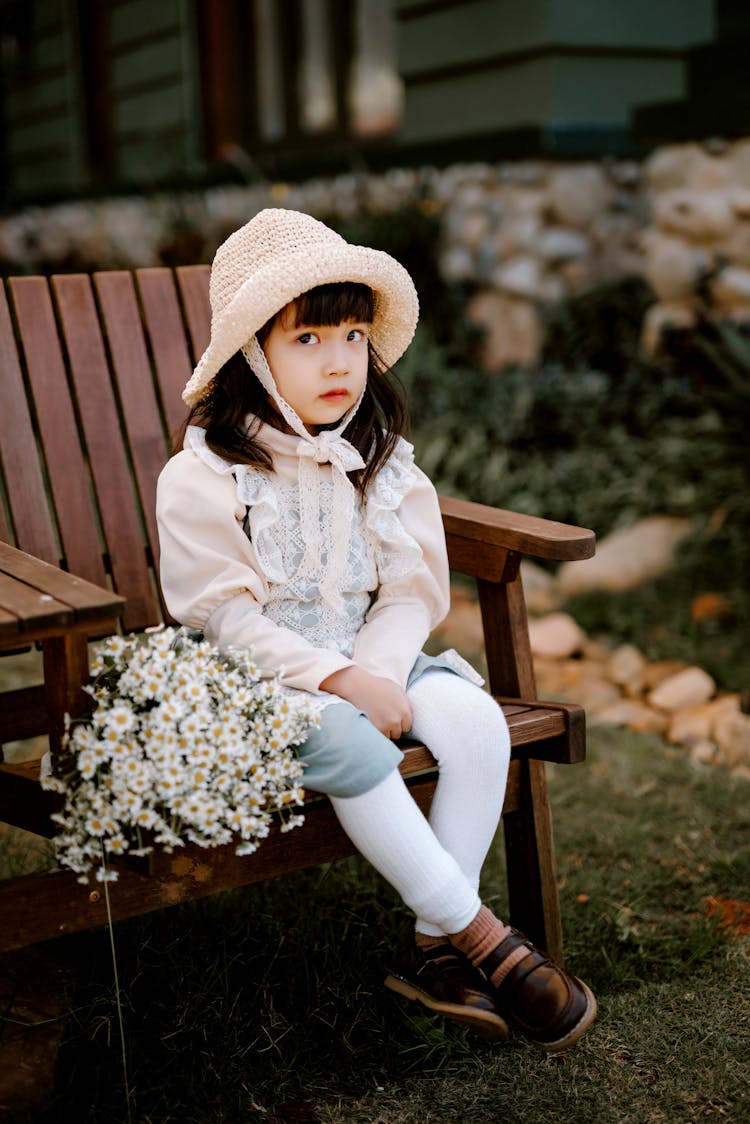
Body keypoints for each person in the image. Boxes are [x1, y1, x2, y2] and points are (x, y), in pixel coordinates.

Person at [156, 208, 597, 1052]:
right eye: (309, 340)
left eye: (353, 336)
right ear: (253, 354)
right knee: (353, 745)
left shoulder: (382, 463)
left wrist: (380, 673)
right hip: (264, 685)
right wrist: (341, 685)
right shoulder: (205, 476)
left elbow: (408, 593)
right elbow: (225, 618)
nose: (340, 362)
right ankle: (483, 942)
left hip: (370, 660)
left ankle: (434, 949)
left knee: (472, 723)